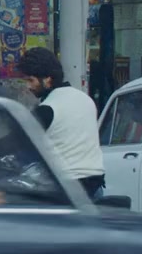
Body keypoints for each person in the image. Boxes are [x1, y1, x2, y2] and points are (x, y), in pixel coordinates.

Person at [16, 48, 106, 199]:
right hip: (96, 185)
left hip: (64, 189)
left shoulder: (48, 108)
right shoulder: (86, 99)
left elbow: (17, 139)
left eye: (31, 80)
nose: (28, 86)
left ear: (48, 79)